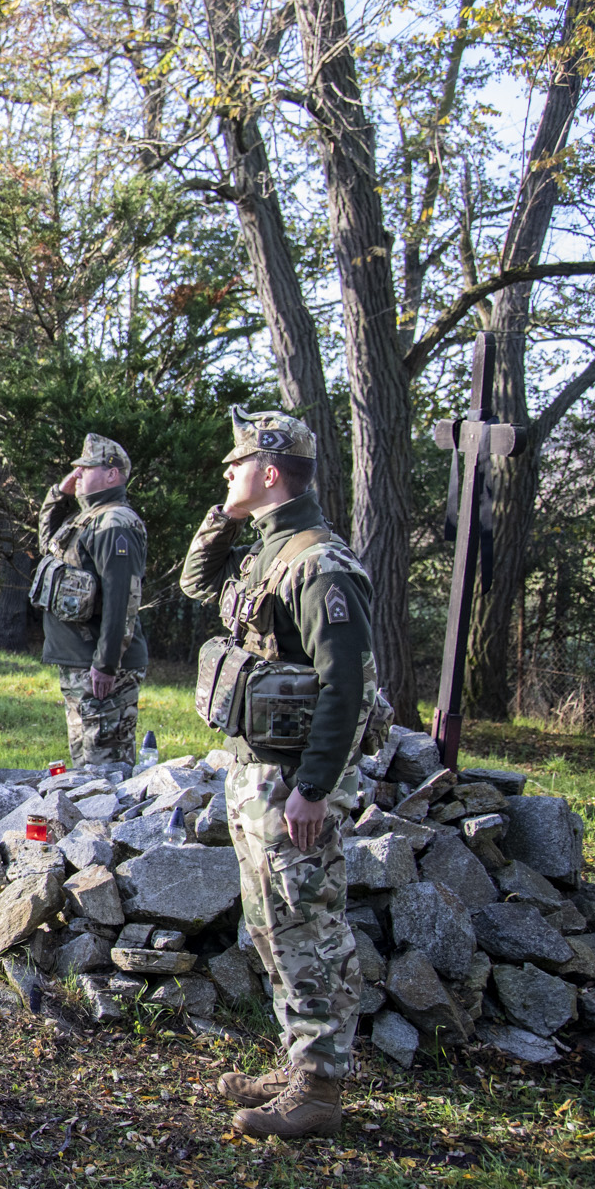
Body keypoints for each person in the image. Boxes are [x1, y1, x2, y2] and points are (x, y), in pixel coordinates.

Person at [179, 406, 375, 1139]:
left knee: (307, 923)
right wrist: (223, 514)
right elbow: (197, 584)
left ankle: (320, 1085)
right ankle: (299, 1057)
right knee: (269, 922)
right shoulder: (268, 550)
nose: (225, 474)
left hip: (294, 782)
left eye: (235, 466)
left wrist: (314, 788)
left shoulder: (320, 563)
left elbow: (347, 687)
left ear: (268, 471)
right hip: (256, 769)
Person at [32, 434, 148, 768]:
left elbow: (122, 598)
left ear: (112, 474)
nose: (78, 474)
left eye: (86, 467)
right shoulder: (87, 519)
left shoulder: (114, 523)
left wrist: (106, 663)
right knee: (85, 769)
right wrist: (58, 496)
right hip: (79, 664)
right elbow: (48, 547)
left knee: (105, 772)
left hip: (99, 667)